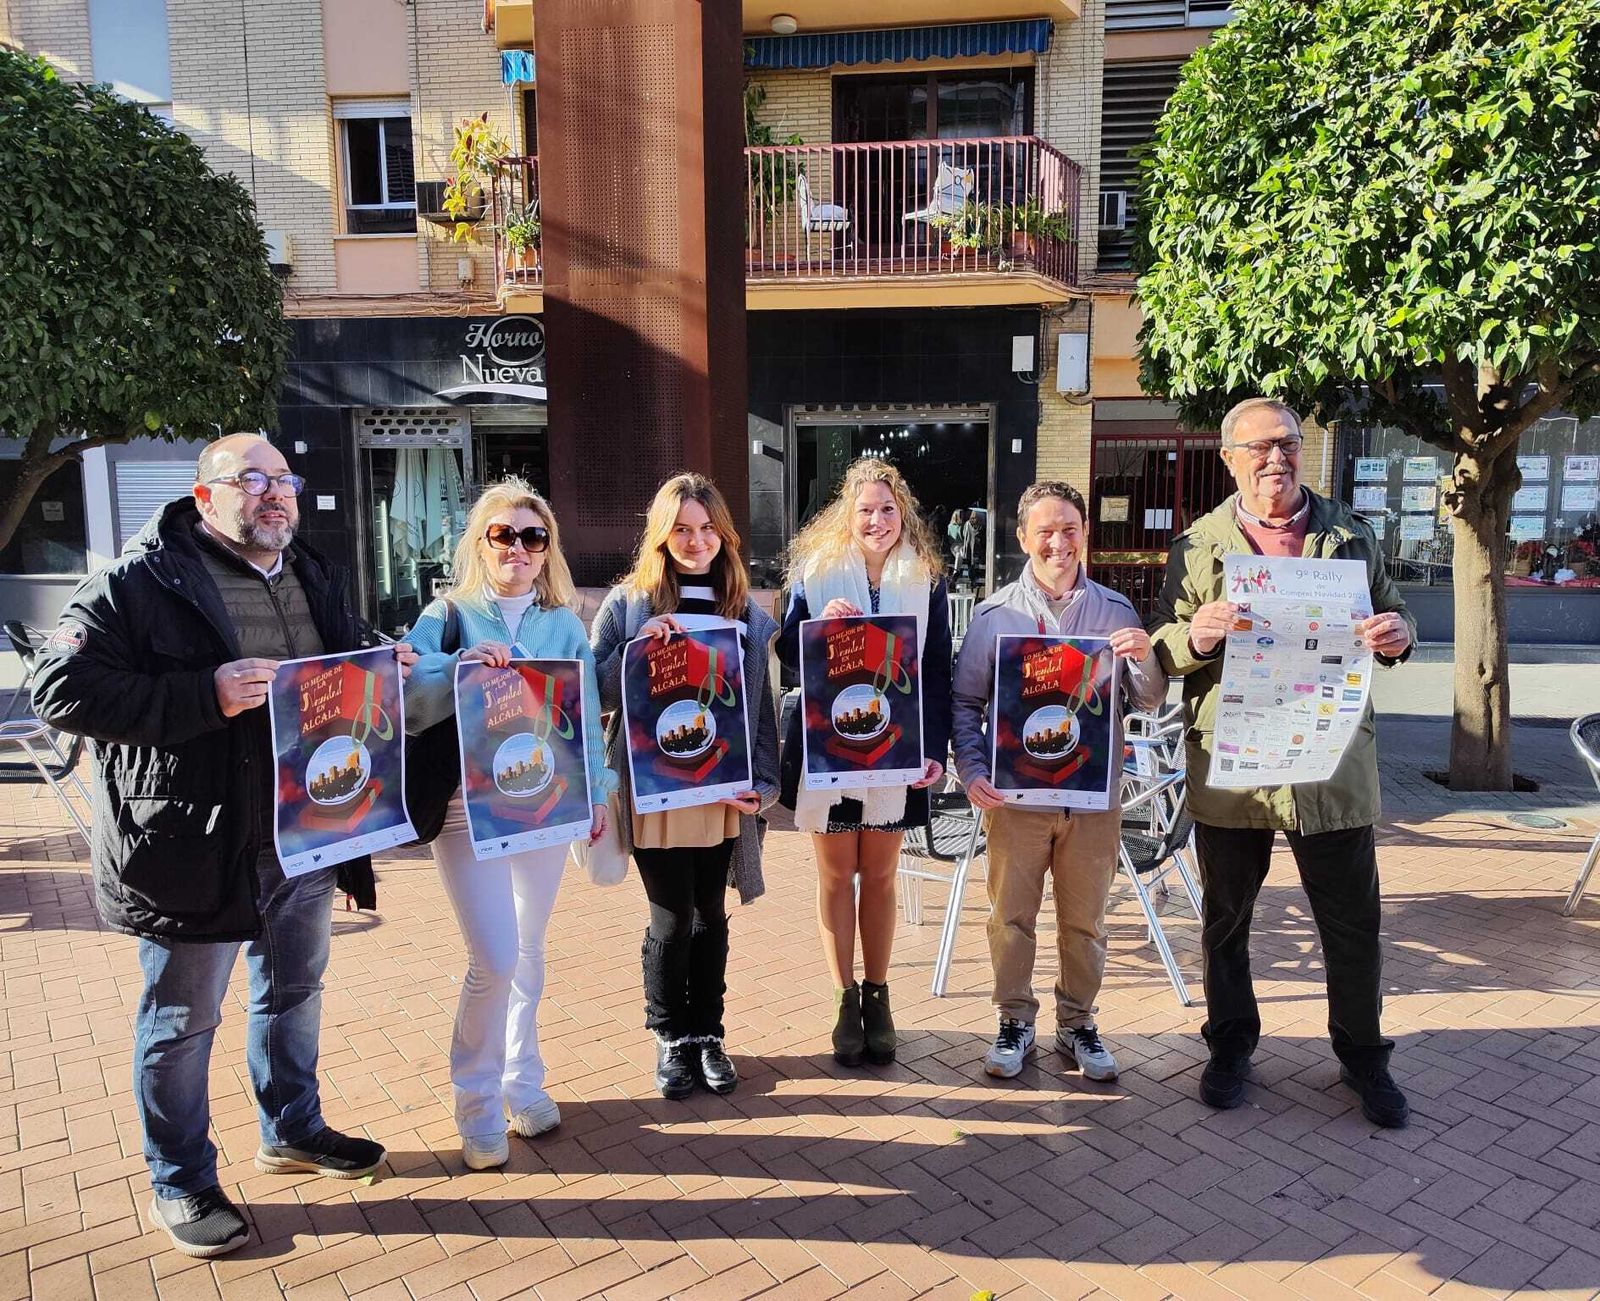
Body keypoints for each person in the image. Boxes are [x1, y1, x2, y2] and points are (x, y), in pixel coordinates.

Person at [30, 434, 415, 1258]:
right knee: (182, 1019)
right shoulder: (137, 580)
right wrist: (202, 693)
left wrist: (385, 656)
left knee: (292, 991)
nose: (275, 494)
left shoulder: (309, 569)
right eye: (253, 479)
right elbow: (57, 688)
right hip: (189, 841)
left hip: (302, 831)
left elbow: (338, 655)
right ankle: (181, 1177)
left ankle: (293, 1128)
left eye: (285, 480)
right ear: (205, 497)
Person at [1150, 397, 1416, 1128]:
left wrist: (1398, 631)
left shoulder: (1350, 536)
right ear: (1229, 458)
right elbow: (1161, 649)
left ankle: (1364, 1054)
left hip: (1329, 765)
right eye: (1260, 447)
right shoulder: (1197, 547)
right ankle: (1230, 1043)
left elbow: (1395, 617)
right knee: (1227, 921)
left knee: (1353, 922)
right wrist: (1195, 637)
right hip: (1234, 767)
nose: (1277, 459)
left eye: (1290, 444)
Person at [404, 478, 614, 1171]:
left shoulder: (563, 622)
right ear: (481, 542)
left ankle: (523, 1080)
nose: (519, 548)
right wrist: (455, 662)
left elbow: (583, 711)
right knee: (492, 957)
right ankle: (476, 1101)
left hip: (546, 803)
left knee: (527, 952)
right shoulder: (449, 611)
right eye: (504, 534)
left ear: (547, 548)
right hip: (468, 809)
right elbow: (403, 681)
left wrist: (597, 792)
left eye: (533, 536)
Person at [951, 481, 1166, 1082]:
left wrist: (1145, 656)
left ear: (1085, 535)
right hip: (1015, 798)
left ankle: (1078, 1023)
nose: (1058, 542)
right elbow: (966, 702)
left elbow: (1147, 699)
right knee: (1010, 916)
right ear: (1023, 538)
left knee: (1086, 919)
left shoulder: (1116, 611)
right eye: (1044, 530)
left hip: (1092, 798)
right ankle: (1014, 1018)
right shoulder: (996, 618)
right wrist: (971, 772)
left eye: (1069, 529)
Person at [590, 473, 780, 1099]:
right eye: (682, 529)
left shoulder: (743, 607)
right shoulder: (630, 602)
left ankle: (708, 1033)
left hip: (722, 787)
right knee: (670, 919)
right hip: (655, 789)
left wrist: (766, 783)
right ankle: (670, 1035)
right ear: (662, 535)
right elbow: (591, 691)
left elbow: (760, 703)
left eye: (707, 529)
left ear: (723, 534)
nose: (696, 541)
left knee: (711, 917)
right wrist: (635, 652)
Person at [776, 459, 952, 1066]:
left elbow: (935, 668)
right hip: (830, 745)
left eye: (886, 508)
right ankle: (842, 997)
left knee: (878, 876)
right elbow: (788, 653)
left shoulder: (925, 577)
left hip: (897, 751)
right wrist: (816, 626)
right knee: (834, 876)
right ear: (845, 518)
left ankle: (878, 996)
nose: (877, 520)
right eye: (865, 510)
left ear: (902, 513)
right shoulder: (815, 572)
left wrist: (933, 749)